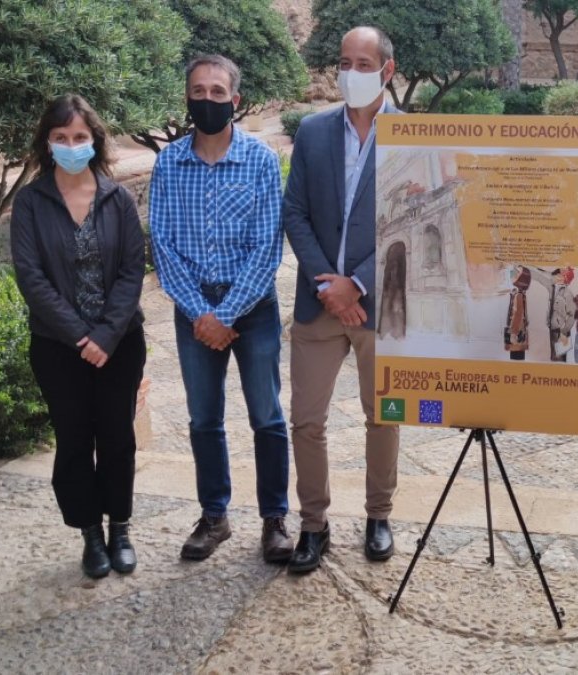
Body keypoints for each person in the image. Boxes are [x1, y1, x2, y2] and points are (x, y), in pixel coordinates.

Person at [149, 54, 292, 564]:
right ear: (187, 98)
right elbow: (162, 244)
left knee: (267, 415)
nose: (207, 100)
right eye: (198, 91)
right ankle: (214, 517)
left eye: (217, 92)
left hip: (252, 307)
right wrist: (201, 314)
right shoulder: (169, 162)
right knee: (203, 419)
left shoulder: (259, 160)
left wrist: (226, 315)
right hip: (194, 311)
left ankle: (275, 519)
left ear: (235, 99)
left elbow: (266, 247)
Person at [11, 94, 146, 579]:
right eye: (61, 137)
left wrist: (106, 336)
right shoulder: (30, 202)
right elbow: (31, 278)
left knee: (117, 437)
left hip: (119, 344)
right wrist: (79, 337)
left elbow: (132, 270)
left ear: (95, 140)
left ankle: (119, 528)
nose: (71, 145)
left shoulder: (118, 199)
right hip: (57, 348)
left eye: (80, 137)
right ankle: (90, 532)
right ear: (47, 143)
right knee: (73, 440)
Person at [282, 26, 401, 574]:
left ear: (387, 70)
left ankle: (379, 515)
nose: (352, 73)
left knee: (384, 416)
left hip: (379, 305)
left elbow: (405, 222)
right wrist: (328, 285)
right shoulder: (313, 131)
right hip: (319, 304)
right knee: (306, 421)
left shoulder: (412, 137)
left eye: (364, 64)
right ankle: (313, 523)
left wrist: (358, 282)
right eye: (345, 63)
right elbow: (295, 213)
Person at [528, 266, 576, 362]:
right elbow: (539, 277)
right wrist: (524, 269)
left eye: (557, 275)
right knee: (554, 357)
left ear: (563, 278)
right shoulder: (552, 287)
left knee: (560, 359)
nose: (553, 277)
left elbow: (573, 315)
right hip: (553, 329)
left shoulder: (568, 294)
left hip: (561, 332)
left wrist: (564, 331)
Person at [505, 266, 531, 360]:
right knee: (518, 355)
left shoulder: (518, 295)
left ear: (522, 279)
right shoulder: (521, 294)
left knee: (516, 356)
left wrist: (514, 333)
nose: (514, 273)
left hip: (516, 332)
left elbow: (517, 315)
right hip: (520, 330)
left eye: (518, 272)